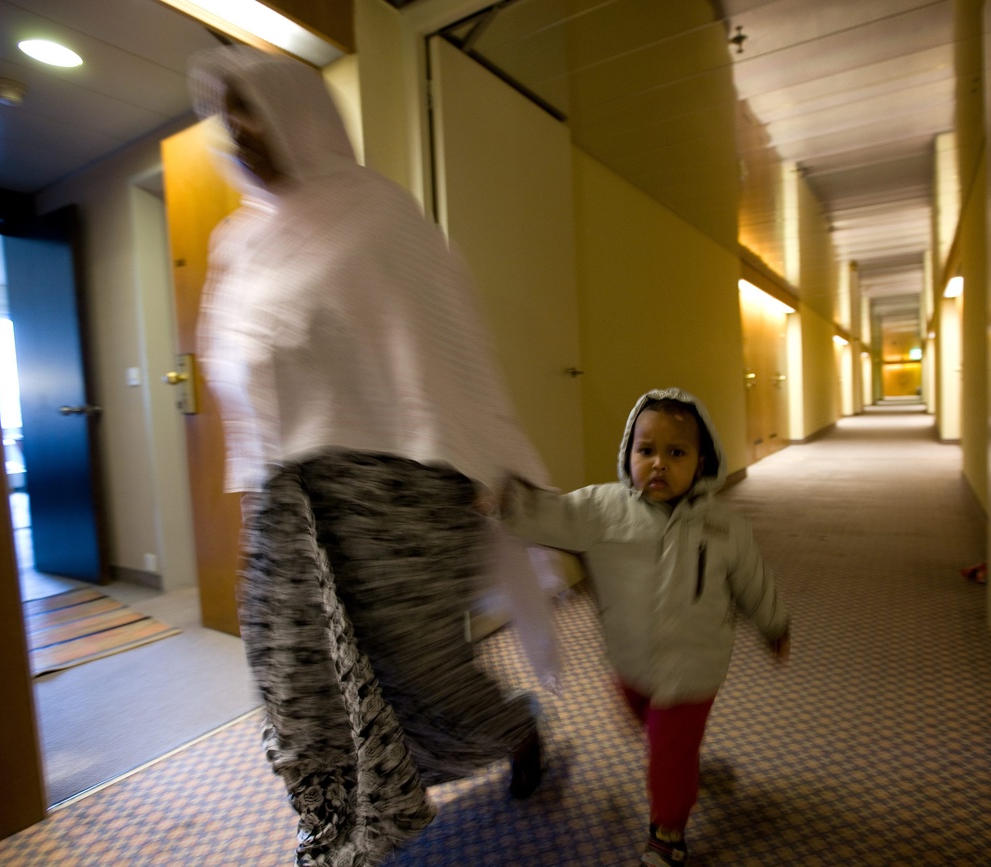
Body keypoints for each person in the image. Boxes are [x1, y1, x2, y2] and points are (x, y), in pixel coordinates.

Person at [188, 45, 551, 867]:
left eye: (251, 104)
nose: (236, 127)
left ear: (299, 111)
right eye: (226, 108)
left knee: (421, 672)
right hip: (286, 502)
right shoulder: (237, 245)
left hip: (398, 492)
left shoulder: (380, 217)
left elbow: (452, 351)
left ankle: (516, 729)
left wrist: (490, 462)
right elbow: (242, 375)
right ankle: (342, 831)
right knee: (295, 679)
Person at [500, 388, 790, 867]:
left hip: (694, 666)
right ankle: (685, 765)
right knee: (648, 725)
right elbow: (551, 515)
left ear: (701, 464)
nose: (658, 463)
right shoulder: (603, 510)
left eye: (676, 453)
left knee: (667, 753)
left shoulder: (724, 527)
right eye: (646, 450)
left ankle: (668, 832)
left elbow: (753, 581)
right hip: (630, 658)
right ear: (628, 454)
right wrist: (505, 503)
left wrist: (774, 622)